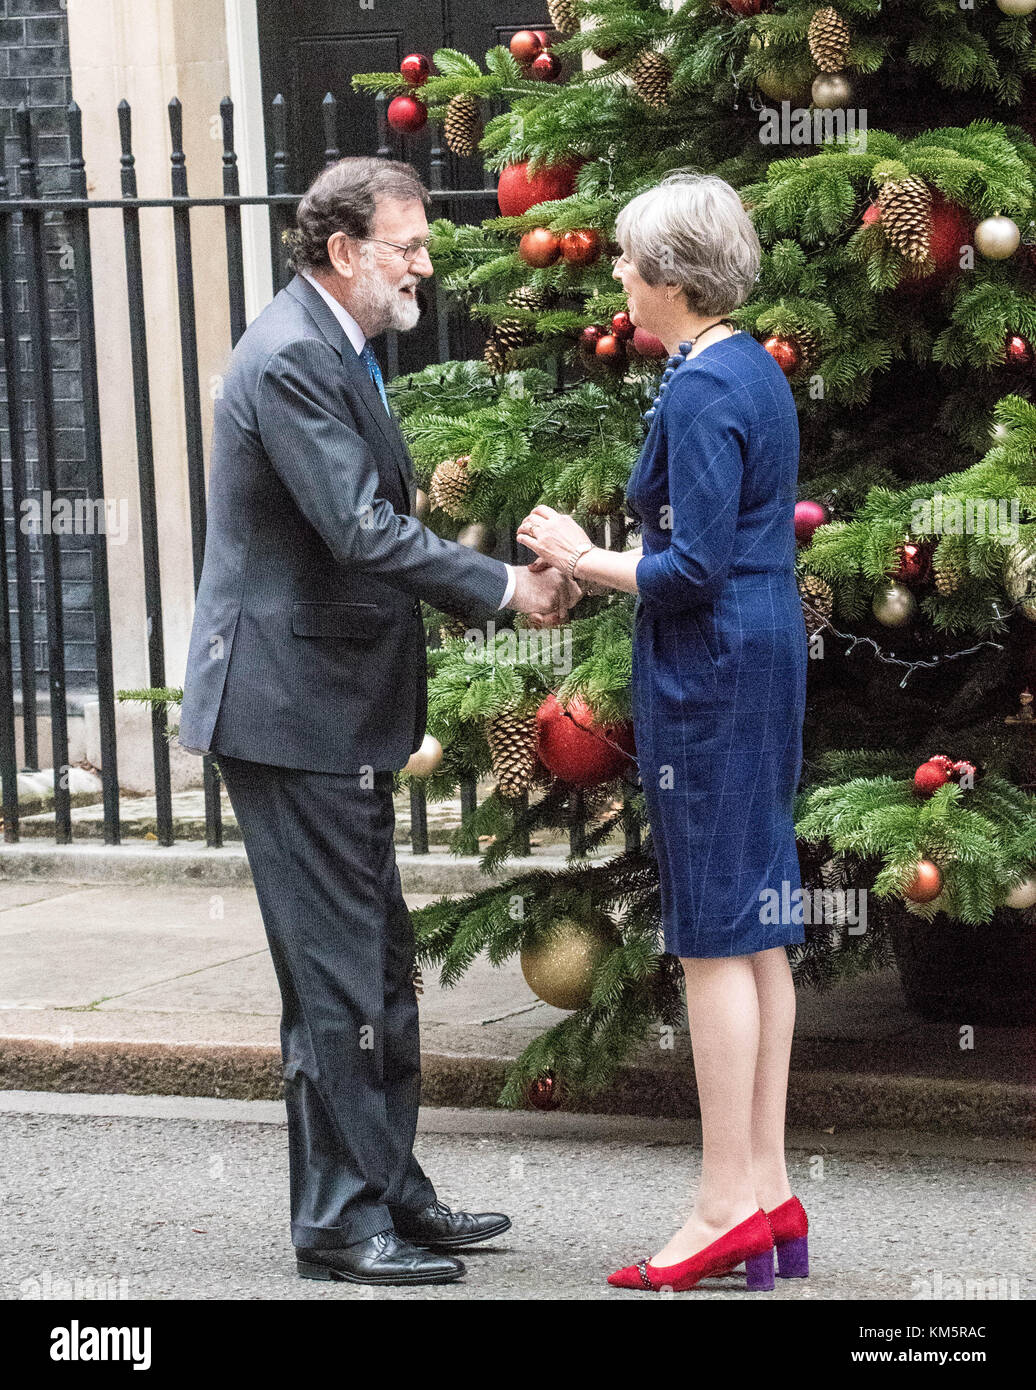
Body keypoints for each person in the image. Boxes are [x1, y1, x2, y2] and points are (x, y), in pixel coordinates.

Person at [179, 156, 578, 1287]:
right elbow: (359, 529)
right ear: (344, 249)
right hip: (286, 712)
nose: (425, 264)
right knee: (339, 981)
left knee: (372, 963)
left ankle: (390, 1191)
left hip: (321, 709)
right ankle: (342, 1223)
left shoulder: (333, 342)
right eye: (407, 245)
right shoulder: (298, 354)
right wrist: (505, 588)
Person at [517, 171, 810, 1294]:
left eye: (632, 264)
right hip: (760, 650)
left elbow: (688, 571)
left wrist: (579, 556)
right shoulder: (747, 367)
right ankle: (769, 1192)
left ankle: (724, 1203)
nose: (619, 278)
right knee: (758, 919)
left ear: (676, 281)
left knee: (710, 932)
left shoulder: (698, 387)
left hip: (711, 669)